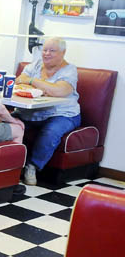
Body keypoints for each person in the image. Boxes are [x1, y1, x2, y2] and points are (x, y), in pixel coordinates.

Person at [14, 37, 81, 185]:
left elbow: (60, 91)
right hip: (33, 112)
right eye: (44, 50)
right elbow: (19, 80)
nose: (47, 54)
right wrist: (44, 88)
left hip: (62, 113)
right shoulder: (35, 66)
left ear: (63, 53)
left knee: (51, 132)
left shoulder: (69, 70)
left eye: (52, 51)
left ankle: (32, 166)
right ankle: (10, 165)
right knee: (10, 122)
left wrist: (33, 82)